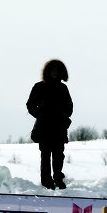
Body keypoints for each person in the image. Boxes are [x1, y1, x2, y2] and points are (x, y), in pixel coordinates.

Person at [26, 59, 73, 190]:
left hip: (59, 128)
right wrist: (40, 115)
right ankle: (46, 181)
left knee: (59, 155)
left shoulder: (63, 88)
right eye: (52, 71)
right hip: (44, 128)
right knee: (45, 155)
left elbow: (70, 107)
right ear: (48, 72)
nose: (54, 73)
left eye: (57, 71)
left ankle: (58, 178)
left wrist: (63, 115)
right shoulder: (39, 87)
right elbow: (30, 105)